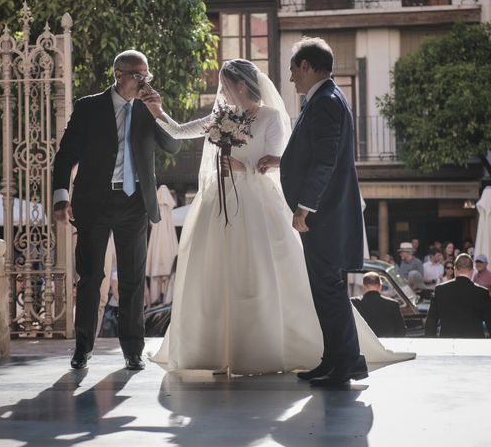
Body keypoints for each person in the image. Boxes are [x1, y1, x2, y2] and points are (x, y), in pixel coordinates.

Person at [142, 57, 413, 379]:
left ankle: (270, 347)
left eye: (226, 86)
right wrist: (158, 113)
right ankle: (220, 349)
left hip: (256, 202)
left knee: (261, 274)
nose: (222, 93)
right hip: (219, 203)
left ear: (241, 85)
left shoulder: (270, 117)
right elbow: (181, 131)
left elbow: (278, 161)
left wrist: (244, 167)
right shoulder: (221, 116)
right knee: (217, 275)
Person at [52, 50, 181, 371]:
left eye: (146, 75)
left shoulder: (149, 110)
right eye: (138, 75)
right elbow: (65, 154)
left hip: (135, 203)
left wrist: (159, 112)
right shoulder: (88, 107)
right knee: (91, 277)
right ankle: (82, 349)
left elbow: (174, 145)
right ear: (118, 75)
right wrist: (60, 196)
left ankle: (133, 351)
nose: (143, 82)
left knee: (134, 280)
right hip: (94, 202)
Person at [280, 37, 375, 387]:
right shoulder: (324, 98)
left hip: (323, 215)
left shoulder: (325, 102)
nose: (292, 79)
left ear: (306, 66)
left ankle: (348, 363)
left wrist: (304, 208)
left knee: (330, 290)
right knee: (325, 290)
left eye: (293, 70)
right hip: (324, 214)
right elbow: (313, 154)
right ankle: (335, 359)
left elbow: (325, 161)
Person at [425, 254, 491, 338]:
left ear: (455, 270)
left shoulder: (440, 290)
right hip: (475, 347)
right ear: (472, 271)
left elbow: (430, 323)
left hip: (447, 346)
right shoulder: (482, 292)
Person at [352, 273, 406, 337]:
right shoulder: (393, 304)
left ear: (364, 286)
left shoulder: (354, 303)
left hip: (363, 346)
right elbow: (401, 331)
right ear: (380, 286)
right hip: (387, 345)